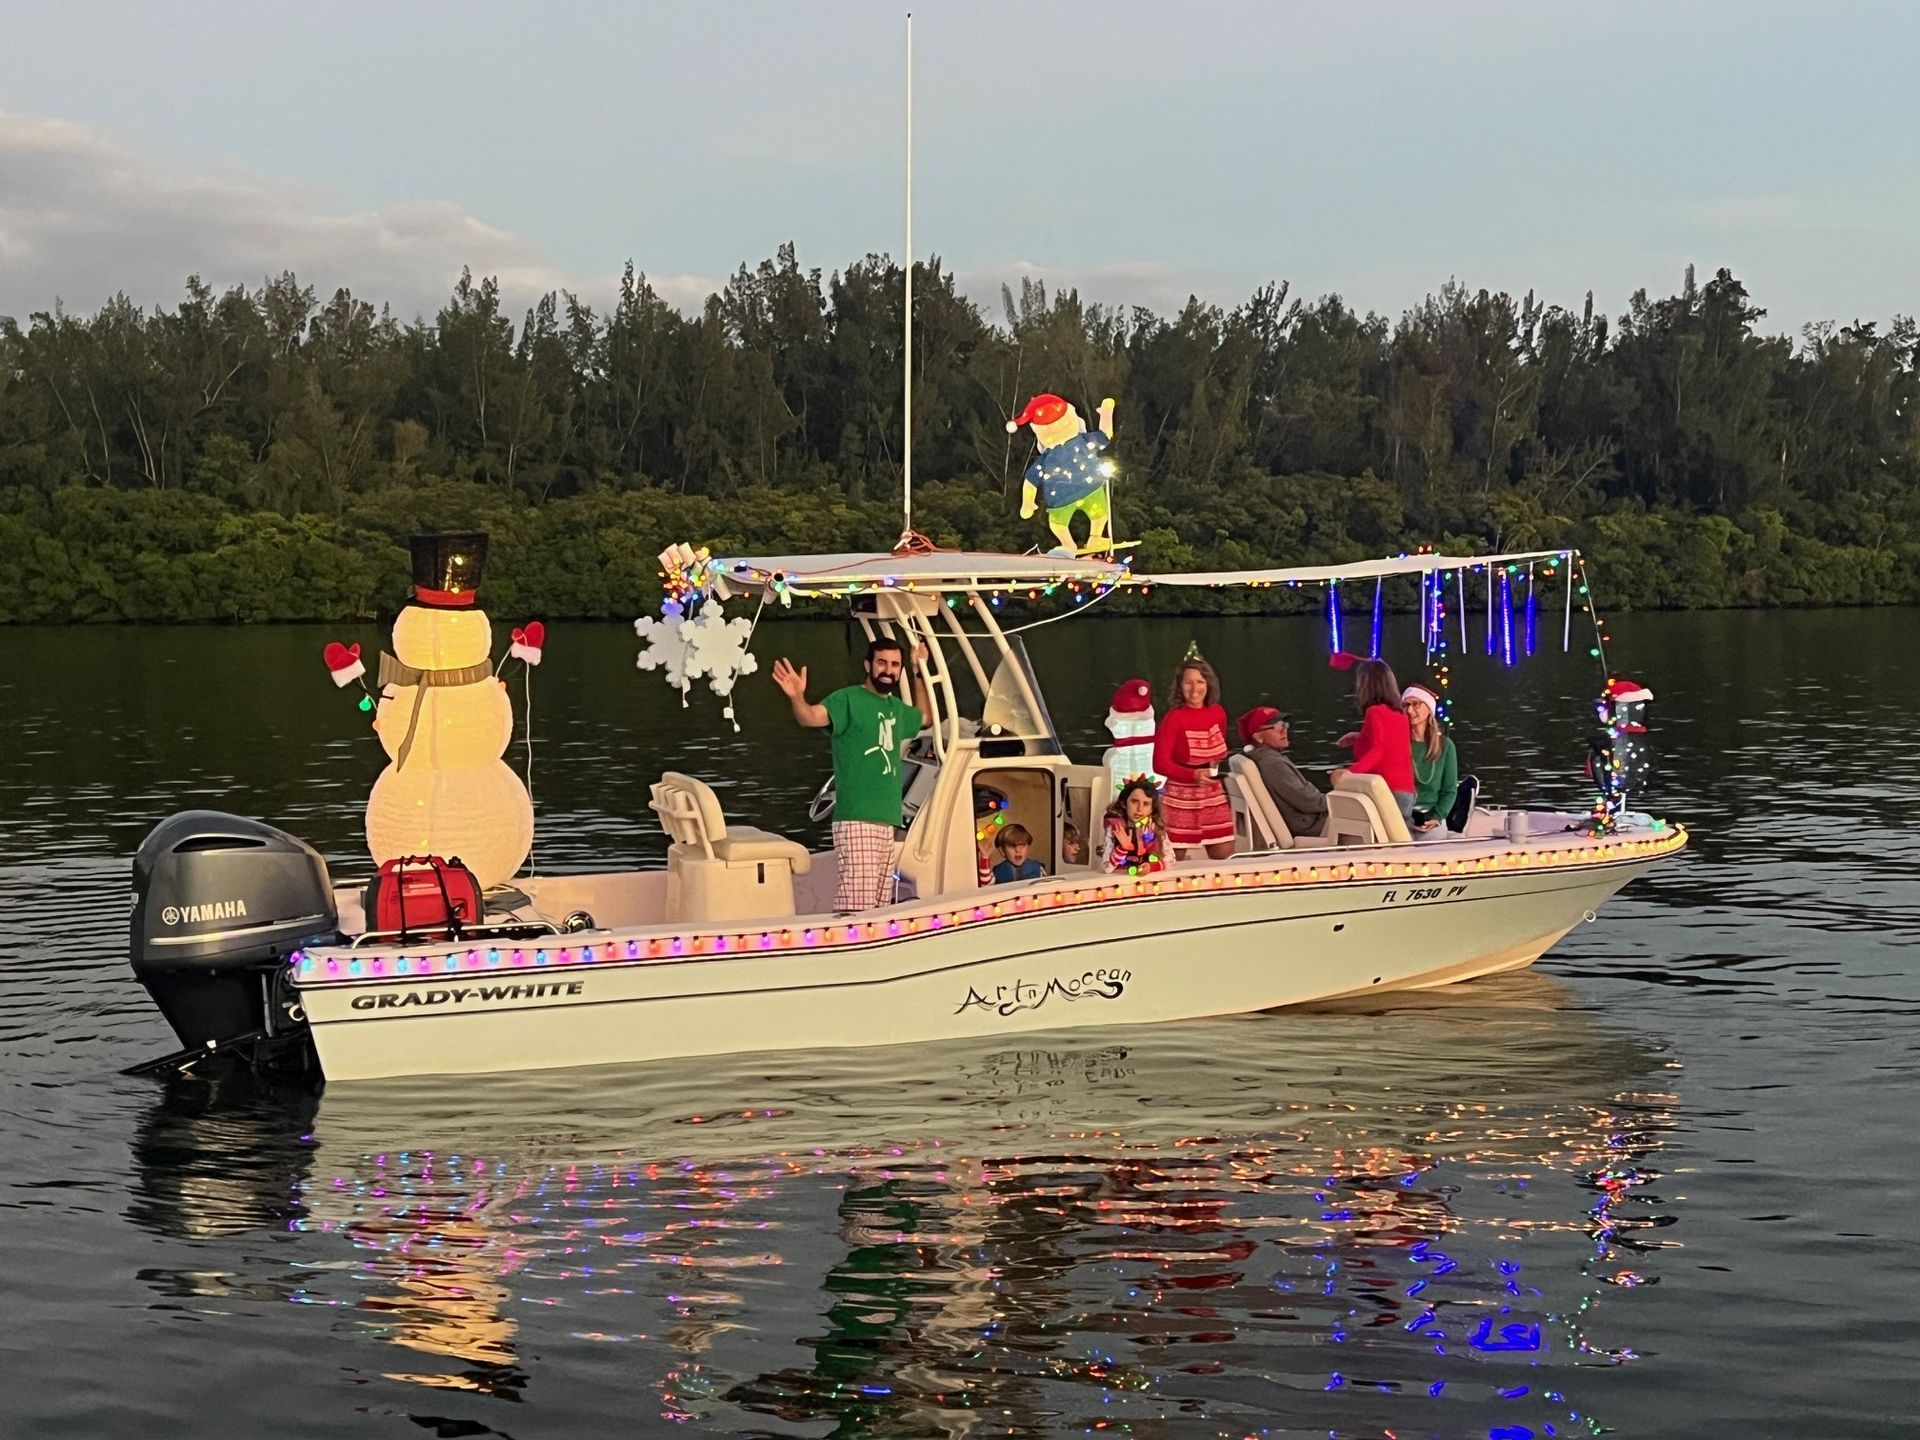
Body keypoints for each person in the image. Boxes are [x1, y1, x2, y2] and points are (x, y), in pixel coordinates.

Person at [772, 637, 932, 912]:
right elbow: (809, 717)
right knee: (857, 908)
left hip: (887, 820)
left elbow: (925, 718)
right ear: (868, 665)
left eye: (895, 665)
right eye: (882, 663)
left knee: (880, 908)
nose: (888, 670)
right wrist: (797, 697)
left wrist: (918, 670)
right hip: (857, 819)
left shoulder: (895, 707)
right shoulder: (847, 699)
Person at [1152, 649, 1236, 859]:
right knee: (1173, 856)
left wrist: (1213, 769)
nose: (1195, 688)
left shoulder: (1218, 713)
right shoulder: (1173, 718)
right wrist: (1192, 775)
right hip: (1181, 797)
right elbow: (1160, 763)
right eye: (1188, 683)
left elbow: (1218, 750)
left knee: (1224, 852)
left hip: (1213, 795)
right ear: (1180, 687)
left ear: (1209, 684)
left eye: (1200, 682)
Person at [1327, 653, 1416, 820]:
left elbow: (1378, 750)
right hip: (1406, 790)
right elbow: (1392, 743)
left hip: (1388, 791)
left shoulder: (1374, 712)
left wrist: (1350, 773)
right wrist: (1358, 737)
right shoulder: (1401, 715)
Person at [1237, 706, 1328, 839]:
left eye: (1285, 725)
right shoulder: (1273, 763)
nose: (1284, 730)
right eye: (1277, 727)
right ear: (1258, 737)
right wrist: (1336, 797)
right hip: (1312, 826)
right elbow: (1309, 802)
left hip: (1308, 822)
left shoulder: (1261, 758)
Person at [1403, 684, 1460, 837]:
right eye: (1406, 705)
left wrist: (1437, 817)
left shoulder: (1446, 746)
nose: (1409, 710)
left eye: (1416, 704)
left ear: (1429, 709)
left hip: (1431, 819)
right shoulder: (1398, 743)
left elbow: (1449, 790)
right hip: (1401, 819)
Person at [1102, 778, 1169, 874]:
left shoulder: (1154, 827)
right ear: (1124, 803)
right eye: (1134, 801)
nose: (1139, 809)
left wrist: (1151, 866)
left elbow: (1169, 859)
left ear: (1152, 808)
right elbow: (1107, 868)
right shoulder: (1116, 827)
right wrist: (1123, 848)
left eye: (1146, 804)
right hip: (1119, 879)